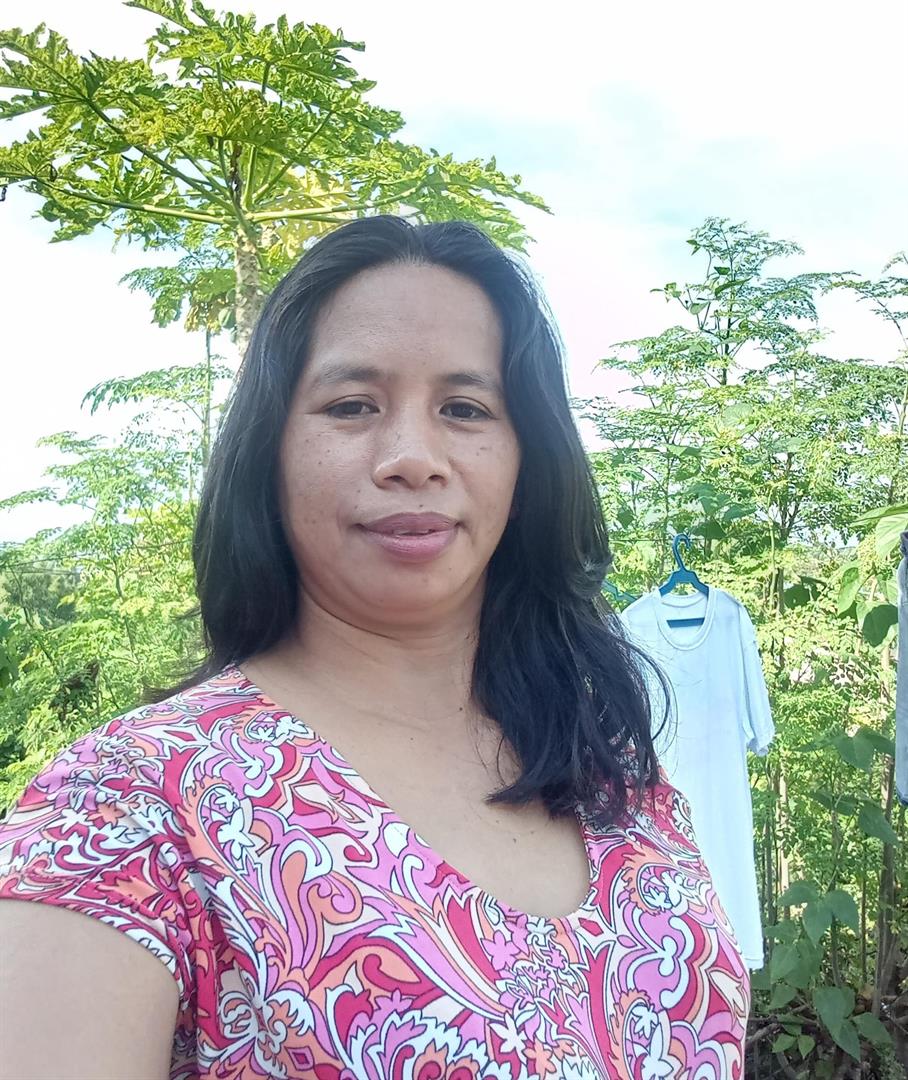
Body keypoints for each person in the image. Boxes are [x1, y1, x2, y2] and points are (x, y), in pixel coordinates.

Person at [0, 216, 749, 1079]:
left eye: (465, 409)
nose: (412, 459)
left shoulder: (610, 770)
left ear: (525, 463)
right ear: (271, 451)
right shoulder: (125, 808)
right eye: (352, 406)